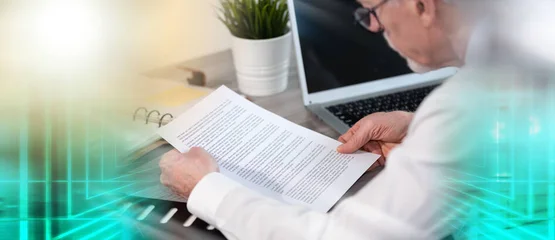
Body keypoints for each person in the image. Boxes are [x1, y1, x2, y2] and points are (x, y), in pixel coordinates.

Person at [160, 0, 492, 239]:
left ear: (422, 6)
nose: (374, 28)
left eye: (372, 13)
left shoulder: (461, 111)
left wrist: (205, 188)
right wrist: (415, 126)